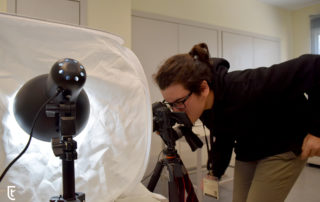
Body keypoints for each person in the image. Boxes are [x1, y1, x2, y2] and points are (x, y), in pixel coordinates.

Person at [153, 42, 320, 202]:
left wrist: (316, 132)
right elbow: (224, 133)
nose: (175, 110)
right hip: (249, 149)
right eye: (171, 104)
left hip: (282, 145)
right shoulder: (205, 107)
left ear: (203, 88)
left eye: (179, 102)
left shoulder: (246, 84)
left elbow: (314, 65)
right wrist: (215, 172)